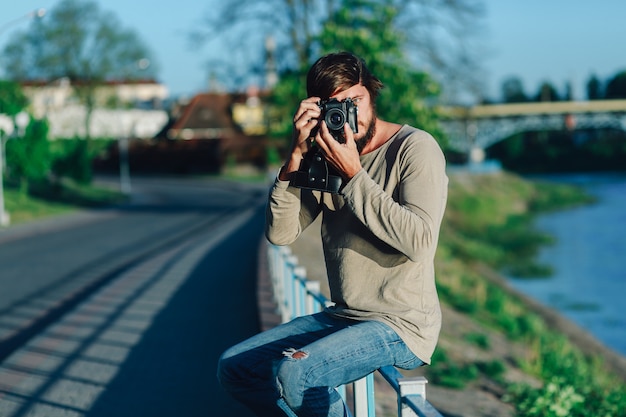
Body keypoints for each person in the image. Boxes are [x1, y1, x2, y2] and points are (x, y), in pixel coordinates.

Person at [217, 51, 448, 417]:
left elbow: (419, 242)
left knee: (299, 373)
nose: (348, 115)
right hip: (345, 316)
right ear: (318, 109)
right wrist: (295, 155)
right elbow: (281, 233)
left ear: (371, 95)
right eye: (335, 106)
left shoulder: (415, 148)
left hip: (401, 322)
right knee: (236, 368)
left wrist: (355, 175)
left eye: (355, 101)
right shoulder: (323, 157)